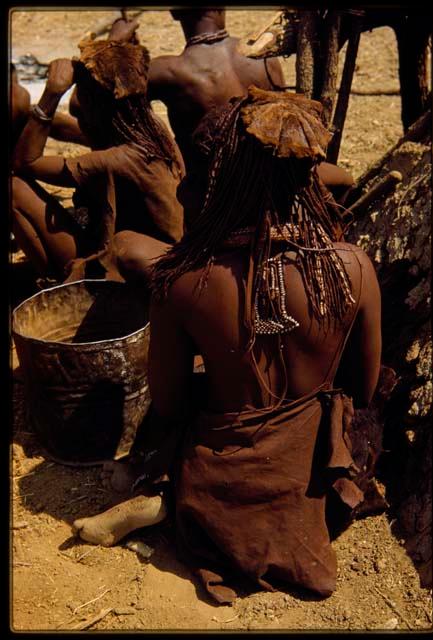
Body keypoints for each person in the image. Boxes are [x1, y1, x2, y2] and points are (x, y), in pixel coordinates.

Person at [72, 87, 381, 604]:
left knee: (185, 406)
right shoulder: (352, 267)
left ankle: (164, 494)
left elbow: (169, 403)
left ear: (222, 179)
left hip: (222, 468)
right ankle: (186, 501)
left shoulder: (185, 280)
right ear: (309, 178)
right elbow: (364, 388)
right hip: (313, 471)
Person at [110, 9, 354, 222]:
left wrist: (117, 48)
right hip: (280, 188)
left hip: (215, 198)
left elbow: (95, 102)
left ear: (174, 13)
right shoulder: (264, 56)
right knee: (344, 179)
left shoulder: (168, 71)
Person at [11, 38, 184, 284]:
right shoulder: (148, 128)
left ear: (93, 104)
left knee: (14, 188)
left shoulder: (114, 161)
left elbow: (24, 161)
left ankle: (56, 285)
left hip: (129, 273)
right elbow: (72, 127)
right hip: (156, 257)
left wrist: (51, 94)